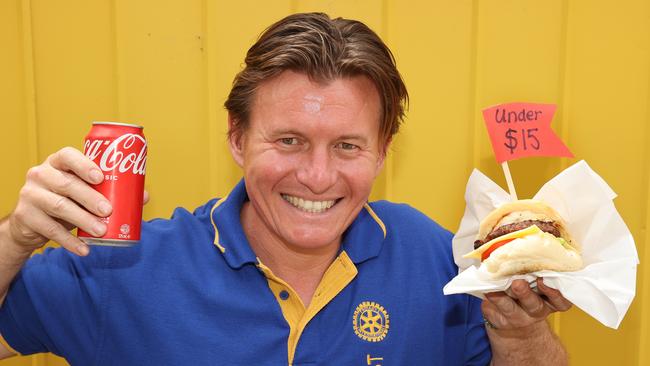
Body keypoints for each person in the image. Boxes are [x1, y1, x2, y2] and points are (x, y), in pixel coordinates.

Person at [0, 12, 571, 365]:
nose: (318, 177)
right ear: (237, 139)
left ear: (382, 152)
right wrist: (14, 241)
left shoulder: (436, 256)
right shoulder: (121, 269)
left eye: (347, 146)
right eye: (290, 140)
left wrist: (521, 335)